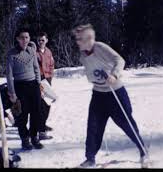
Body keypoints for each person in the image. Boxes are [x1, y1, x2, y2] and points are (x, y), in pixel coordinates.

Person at [72, 24, 149, 167]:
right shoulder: (83, 54)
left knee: (127, 124)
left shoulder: (100, 47)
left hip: (115, 93)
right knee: (93, 127)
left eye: (79, 39)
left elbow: (120, 60)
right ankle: (90, 158)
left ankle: (143, 151)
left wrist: (114, 75)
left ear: (89, 39)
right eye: (76, 39)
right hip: (98, 94)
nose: (77, 42)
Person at [6, 28, 44, 150]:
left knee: (36, 112)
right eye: (22, 37)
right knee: (22, 115)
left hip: (33, 85)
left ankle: (34, 137)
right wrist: (12, 93)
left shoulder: (32, 51)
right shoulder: (11, 54)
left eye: (27, 37)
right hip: (20, 86)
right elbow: (9, 75)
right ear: (17, 39)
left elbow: (36, 69)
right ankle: (25, 139)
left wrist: (39, 84)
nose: (25, 40)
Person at [36, 32, 55, 140]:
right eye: (39, 40)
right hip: (39, 80)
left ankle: (42, 124)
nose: (41, 42)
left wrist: (50, 76)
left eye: (43, 40)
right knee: (41, 106)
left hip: (47, 80)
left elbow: (52, 64)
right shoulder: (34, 52)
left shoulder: (48, 52)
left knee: (47, 104)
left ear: (46, 40)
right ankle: (40, 130)